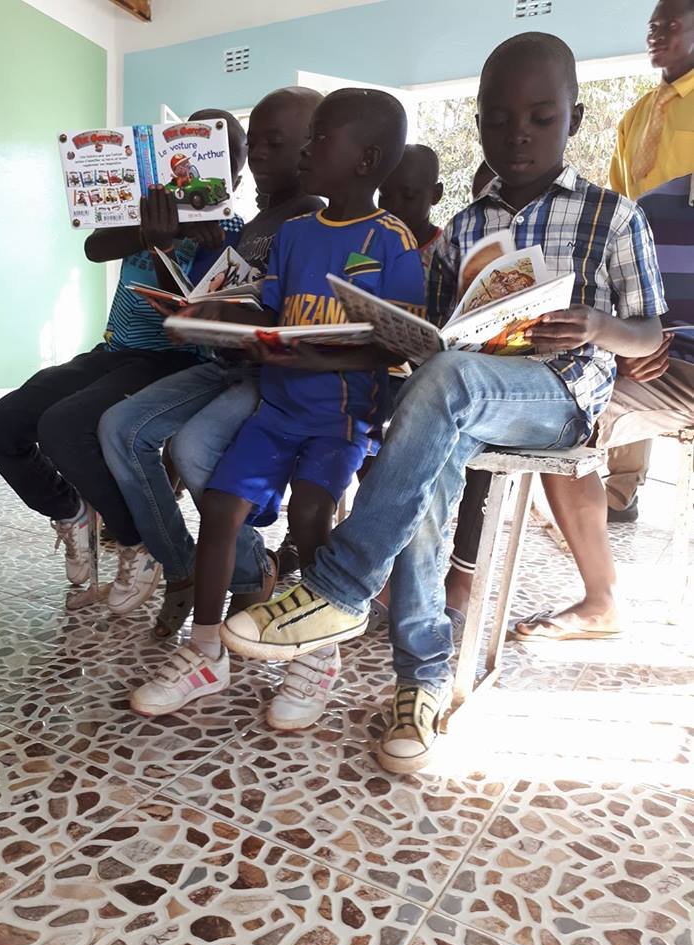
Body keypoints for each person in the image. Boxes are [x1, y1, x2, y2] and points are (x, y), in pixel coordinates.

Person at [215, 32, 665, 774]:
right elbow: (436, 330)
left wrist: (596, 324)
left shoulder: (613, 216)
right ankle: (418, 684)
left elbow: (647, 329)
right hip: (464, 392)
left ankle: (340, 584)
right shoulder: (464, 227)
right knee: (429, 454)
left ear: (576, 121)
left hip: (558, 395)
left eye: (541, 117)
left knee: (448, 386)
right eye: (496, 118)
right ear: (479, 122)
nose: (516, 134)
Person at [130, 88, 426, 732]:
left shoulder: (391, 241)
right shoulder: (294, 236)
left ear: (366, 159)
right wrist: (214, 318)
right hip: (278, 410)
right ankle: (206, 652)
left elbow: (400, 343)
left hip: (340, 417)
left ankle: (314, 660)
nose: (309, 149)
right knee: (218, 508)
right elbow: (273, 314)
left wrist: (316, 360)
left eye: (322, 138)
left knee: (313, 515)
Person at [0, 108, 246, 612]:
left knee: (65, 426)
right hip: (114, 349)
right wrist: (149, 230)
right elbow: (95, 245)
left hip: (175, 360)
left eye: (223, 155)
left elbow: (187, 323)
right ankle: (73, 513)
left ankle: (137, 541)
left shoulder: (231, 230)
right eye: (185, 153)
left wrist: (173, 240)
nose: (197, 165)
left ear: (237, 171)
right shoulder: (149, 207)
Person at [99, 87, 324, 637]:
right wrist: (195, 298)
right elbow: (214, 296)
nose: (259, 156)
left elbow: (292, 320)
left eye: (272, 144)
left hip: (270, 374)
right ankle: (183, 567)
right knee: (120, 428)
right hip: (225, 365)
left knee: (194, 446)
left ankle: (246, 568)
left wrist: (224, 313)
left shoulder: (309, 220)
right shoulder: (251, 223)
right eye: (257, 144)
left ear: (310, 150)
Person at [514, 172, 694, 641]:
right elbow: (628, 315)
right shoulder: (652, 207)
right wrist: (625, 352)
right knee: (561, 416)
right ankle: (601, 601)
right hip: (666, 373)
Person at [607, 0, 694, 521]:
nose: (657, 34)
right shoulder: (636, 114)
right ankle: (620, 492)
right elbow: (619, 203)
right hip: (645, 273)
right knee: (629, 361)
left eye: (672, 25)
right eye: (652, 26)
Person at [379, 144, 444, 273]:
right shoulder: (368, 243)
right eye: (385, 195)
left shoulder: (447, 255)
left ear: (436, 194)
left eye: (408, 196)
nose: (394, 206)